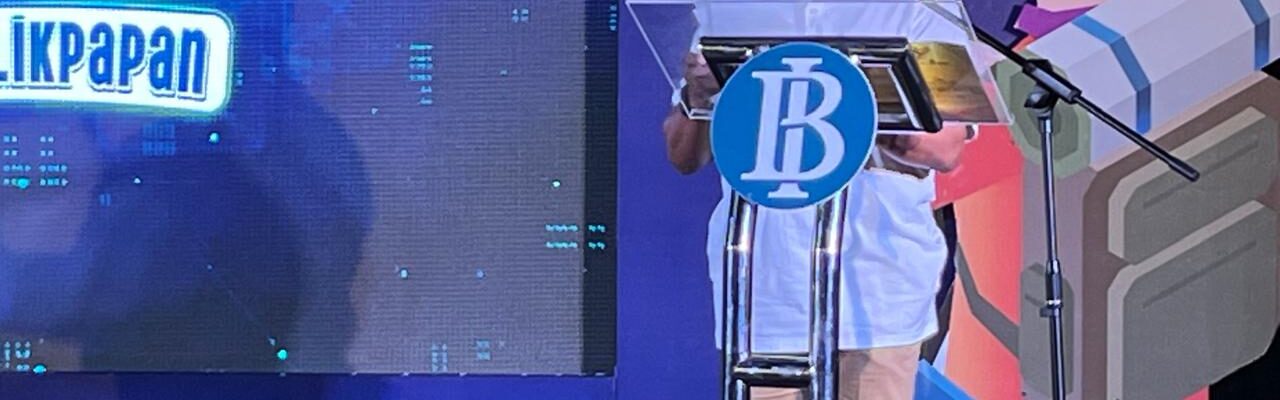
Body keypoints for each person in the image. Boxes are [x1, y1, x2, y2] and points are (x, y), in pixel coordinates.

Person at [662, 3, 975, 399]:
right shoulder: (727, 9)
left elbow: (946, 147)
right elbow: (683, 154)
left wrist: (844, 110)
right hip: (762, 294)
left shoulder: (922, 9)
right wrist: (697, 95)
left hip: (875, 294)